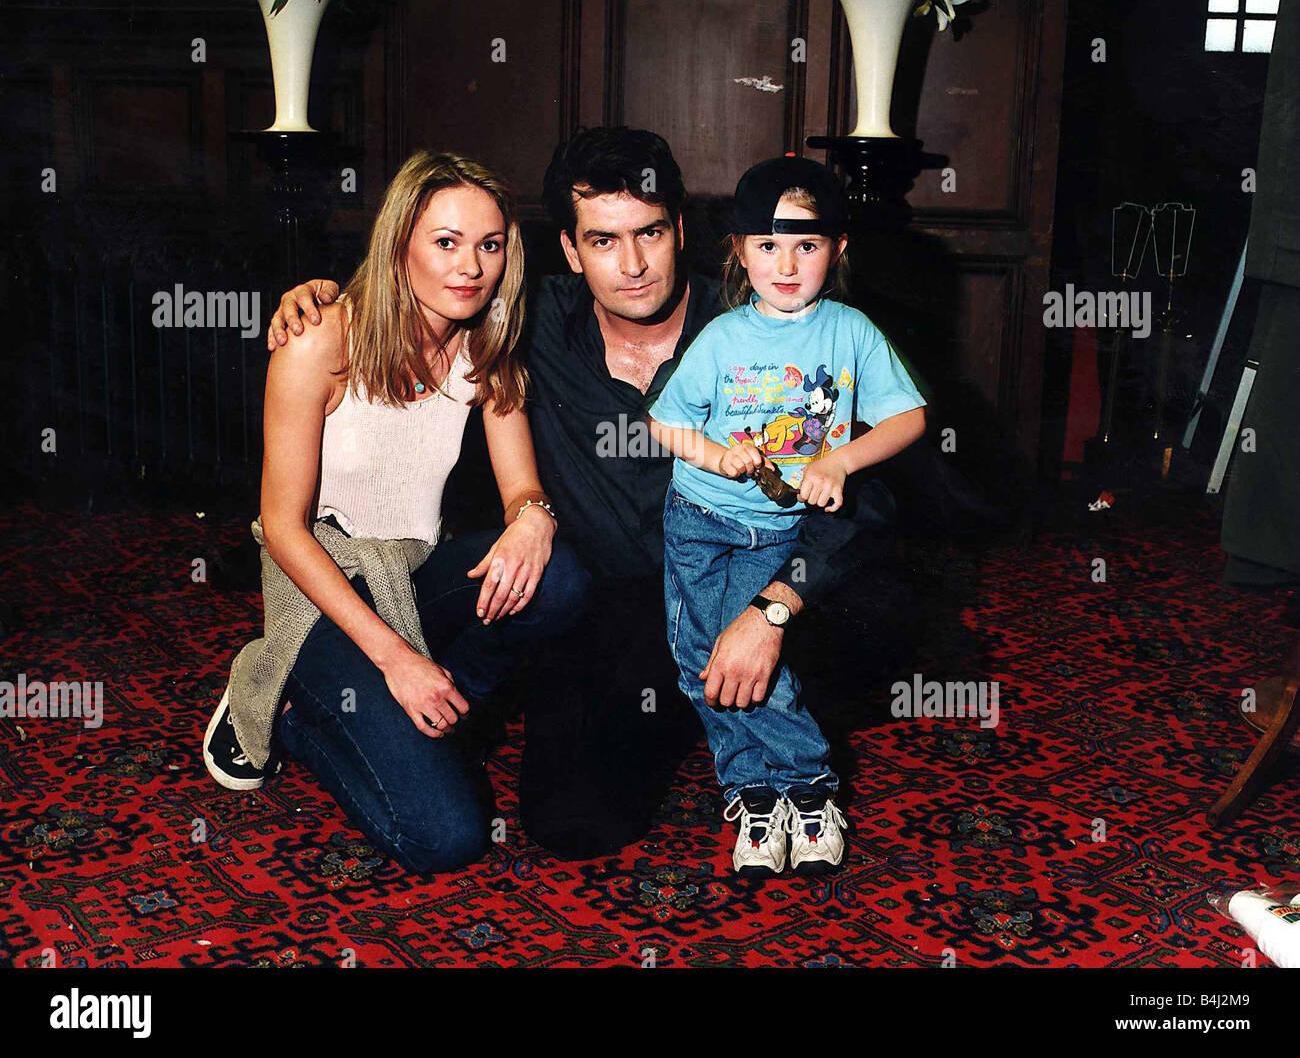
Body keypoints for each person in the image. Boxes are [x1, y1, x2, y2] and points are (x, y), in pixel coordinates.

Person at [266, 127, 904, 860]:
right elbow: (424, 280)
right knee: (572, 824)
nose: (632, 265)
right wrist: (316, 294)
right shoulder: (529, 323)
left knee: (869, 636)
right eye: (602, 241)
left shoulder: (765, 327)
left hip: (752, 586)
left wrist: (773, 610)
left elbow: (865, 502)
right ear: (569, 250)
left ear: (681, 231)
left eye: (650, 233)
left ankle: (739, 708)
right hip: (613, 611)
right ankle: (682, 710)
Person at [205, 150, 589, 874]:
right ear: (400, 244)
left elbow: (521, 490)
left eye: (489, 244)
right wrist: (397, 660)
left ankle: (450, 705)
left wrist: (534, 514)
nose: (470, 265)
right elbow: (282, 526)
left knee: (560, 574)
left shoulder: (485, 344)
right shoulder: (319, 341)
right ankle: (290, 713)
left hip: (413, 573)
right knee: (447, 838)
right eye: (446, 241)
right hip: (322, 592)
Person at [644, 156, 926, 875]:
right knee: (696, 663)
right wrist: (714, 454)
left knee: (746, 657)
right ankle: (766, 787)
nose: (789, 264)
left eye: (808, 244)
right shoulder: (722, 337)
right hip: (702, 519)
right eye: (768, 245)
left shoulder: (851, 330)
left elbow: (910, 417)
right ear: (739, 250)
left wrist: (842, 460)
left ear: (838, 249)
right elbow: (663, 423)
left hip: (781, 531)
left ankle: (804, 788)